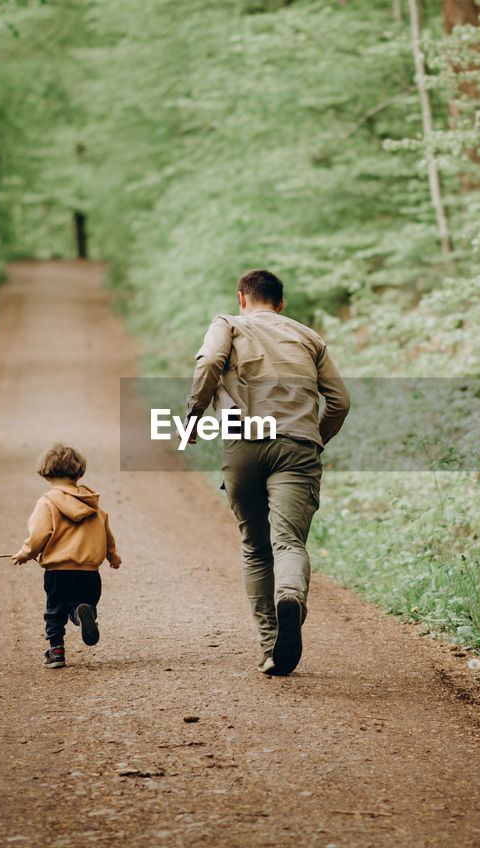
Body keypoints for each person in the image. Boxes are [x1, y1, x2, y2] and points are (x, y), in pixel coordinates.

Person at [186, 269, 350, 676]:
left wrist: (193, 413)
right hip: (297, 446)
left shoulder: (228, 324)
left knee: (255, 547)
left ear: (242, 297)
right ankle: (291, 596)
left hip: (243, 445)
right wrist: (313, 438)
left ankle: (269, 647)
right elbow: (340, 401)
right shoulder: (309, 337)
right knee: (288, 543)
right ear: (281, 303)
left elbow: (209, 361)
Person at [10, 443, 122, 669]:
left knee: (54, 611)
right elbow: (105, 531)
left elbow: (39, 534)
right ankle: (82, 614)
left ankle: (57, 652)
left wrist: (26, 553)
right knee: (82, 602)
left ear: (46, 476)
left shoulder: (47, 503)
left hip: (58, 571)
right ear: (79, 474)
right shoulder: (93, 505)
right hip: (89, 572)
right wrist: (112, 555)